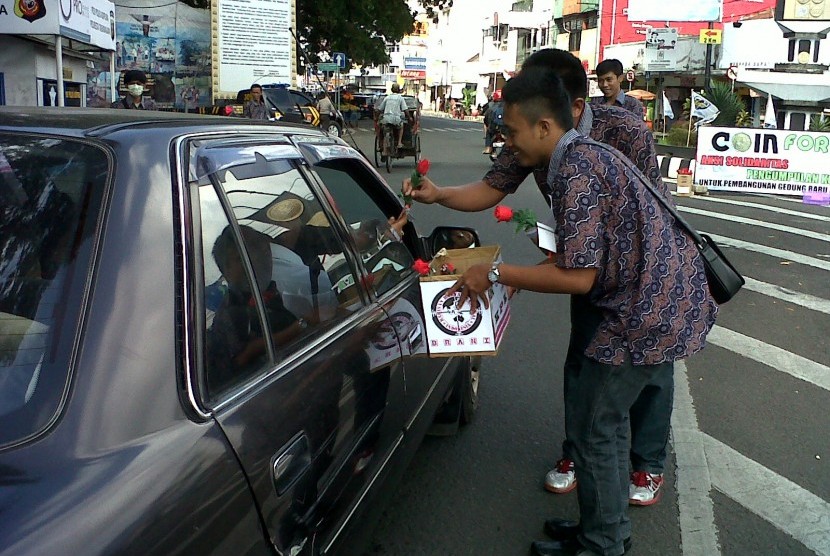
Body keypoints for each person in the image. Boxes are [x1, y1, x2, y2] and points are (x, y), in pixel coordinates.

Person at [401, 46, 681, 520]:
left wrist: (502, 273)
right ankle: (588, 468)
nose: (510, 135)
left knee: (648, 369)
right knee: (588, 370)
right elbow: (493, 188)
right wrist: (440, 193)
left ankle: (642, 468)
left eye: (518, 121)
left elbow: (645, 210)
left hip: (640, 278)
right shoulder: (536, 135)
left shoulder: (612, 137)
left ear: (564, 110)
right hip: (586, 264)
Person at [450, 66, 717, 556]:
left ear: (544, 128)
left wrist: (494, 273)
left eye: (511, 131)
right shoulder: (580, 155)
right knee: (603, 427)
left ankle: (603, 543)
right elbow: (587, 254)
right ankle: (604, 532)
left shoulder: (574, 168)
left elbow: (578, 278)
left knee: (597, 430)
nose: (506, 141)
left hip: (644, 311)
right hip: (653, 298)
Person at [375, 84, 409, 151]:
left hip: (386, 119)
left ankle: (382, 147)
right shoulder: (400, 98)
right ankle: (399, 143)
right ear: (399, 90)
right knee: (401, 127)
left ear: (391, 90)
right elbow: (405, 110)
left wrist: (376, 117)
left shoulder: (387, 98)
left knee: (384, 132)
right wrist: (409, 117)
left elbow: (380, 109)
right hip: (396, 119)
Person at [482, 89, 505, 155]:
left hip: (494, 127)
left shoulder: (490, 105)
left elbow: (486, 118)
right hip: (506, 128)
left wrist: (488, 125)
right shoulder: (508, 105)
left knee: (488, 133)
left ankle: (488, 148)